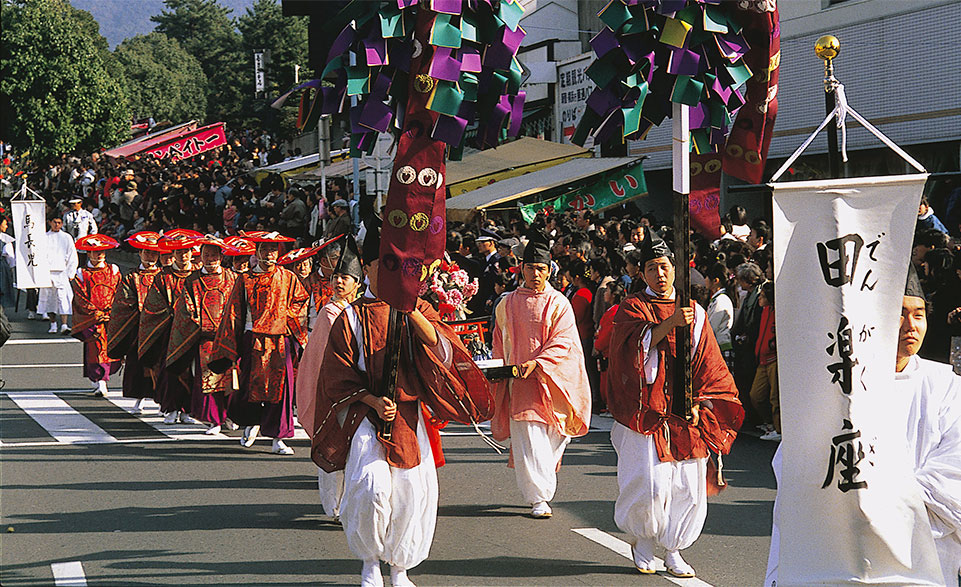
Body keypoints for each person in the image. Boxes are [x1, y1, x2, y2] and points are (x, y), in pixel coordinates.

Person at [310, 223, 493, 587]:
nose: (391, 272)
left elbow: (442, 348)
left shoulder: (416, 308)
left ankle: (400, 568)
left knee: (411, 492)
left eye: (398, 265)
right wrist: (373, 400)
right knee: (370, 487)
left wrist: (410, 310)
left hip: (409, 419)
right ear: (368, 269)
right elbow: (337, 375)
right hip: (367, 416)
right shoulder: (350, 316)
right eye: (384, 265)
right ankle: (369, 561)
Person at [765, 266, 961, 586]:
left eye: (919, 314)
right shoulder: (836, 385)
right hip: (844, 560)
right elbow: (797, 470)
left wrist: (866, 506)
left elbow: (952, 481)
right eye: (899, 314)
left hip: (923, 560)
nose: (910, 326)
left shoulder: (948, 387)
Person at [607, 232, 744, 578]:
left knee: (687, 486)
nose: (660, 274)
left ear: (675, 269)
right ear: (642, 273)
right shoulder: (633, 306)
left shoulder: (694, 312)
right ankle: (643, 541)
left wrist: (702, 402)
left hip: (686, 412)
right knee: (650, 482)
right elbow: (627, 352)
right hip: (647, 412)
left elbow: (709, 362)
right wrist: (669, 324)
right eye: (651, 268)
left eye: (665, 267)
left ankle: (675, 548)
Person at [490, 235, 592, 519]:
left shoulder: (559, 303)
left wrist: (538, 363)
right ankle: (539, 498)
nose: (536, 274)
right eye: (531, 267)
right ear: (521, 268)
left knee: (555, 438)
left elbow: (563, 341)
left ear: (550, 270)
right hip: (520, 384)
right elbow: (499, 341)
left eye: (541, 269)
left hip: (554, 381)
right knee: (528, 440)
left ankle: (541, 486)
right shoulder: (506, 303)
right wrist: (498, 370)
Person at [210, 231, 309, 455]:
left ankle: (278, 437)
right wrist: (229, 345)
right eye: (264, 249)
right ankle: (251, 421)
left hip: (280, 339)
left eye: (273, 250)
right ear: (257, 252)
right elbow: (233, 312)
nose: (269, 254)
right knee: (249, 385)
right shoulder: (244, 279)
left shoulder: (288, 277)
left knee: (282, 389)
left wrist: (286, 319)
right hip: (252, 337)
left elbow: (300, 301)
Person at [295, 235, 363, 522]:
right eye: (336, 277)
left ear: (357, 283)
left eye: (346, 277)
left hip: (358, 390)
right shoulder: (328, 312)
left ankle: (351, 503)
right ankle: (333, 506)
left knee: (357, 450)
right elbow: (317, 358)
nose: (339, 283)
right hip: (332, 391)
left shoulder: (363, 311)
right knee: (332, 444)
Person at [166, 237, 239, 435]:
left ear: (221, 256)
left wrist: (231, 329)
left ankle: (230, 414)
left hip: (228, 338)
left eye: (214, 255)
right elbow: (185, 310)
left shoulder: (232, 278)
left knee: (231, 378)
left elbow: (238, 306)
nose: (210, 259)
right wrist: (204, 327)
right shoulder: (192, 280)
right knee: (210, 379)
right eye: (206, 255)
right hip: (205, 338)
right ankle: (214, 420)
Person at [139, 229, 203, 426]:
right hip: (170, 331)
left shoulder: (198, 276)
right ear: (172, 254)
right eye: (179, 252)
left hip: (194, 332)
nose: (183, 256)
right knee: (170, 371)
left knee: (192, 372)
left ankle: (187, 410)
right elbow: (153, 305)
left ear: (192, 253)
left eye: (186, 252)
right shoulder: (162, 277)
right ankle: (170, 408)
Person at [106, 231, 164, 414]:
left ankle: (162, 398)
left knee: (160, 364)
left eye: (154, 253)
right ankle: (139, 397)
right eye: (146, 252)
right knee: (138, 365)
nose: (150, 256)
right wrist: (139, 311)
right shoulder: (132, 277)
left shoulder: (164, 276)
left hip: (160, 326)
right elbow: (122, 302)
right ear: (140, 253)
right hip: (138, 326)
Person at [71, 234, 122, 397]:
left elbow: (120, 292)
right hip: (94, 318)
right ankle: (100, 381)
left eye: (102, 251)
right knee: (96, 348)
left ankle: (102, 379)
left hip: (112, 316)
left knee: (112, 348)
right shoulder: (82, 273)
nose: (99, 254)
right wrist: (96, 313)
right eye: (95, 251)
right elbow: (80, 297)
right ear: (88, 253)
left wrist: (115, 311)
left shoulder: (113, 270)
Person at [750, 280, 780, 441]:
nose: (759, 299)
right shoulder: (764, 311)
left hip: (774, 357)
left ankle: (778, 428)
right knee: (756, 395)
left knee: (775, 397)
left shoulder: (778, 311)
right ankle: (769, 423)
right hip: (762, 358)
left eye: (762, 296)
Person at [38, 216, 78, 334]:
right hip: (47, 272)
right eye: (54, 222)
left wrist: (71, 272)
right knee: (50, 299)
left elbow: (72, 255)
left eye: (59, 223)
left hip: (62, 272)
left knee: (63, 298)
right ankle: (53, 323)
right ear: (50, 223)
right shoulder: (43, 237)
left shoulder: (66, 237)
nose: (56, 224)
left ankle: (64, 324)